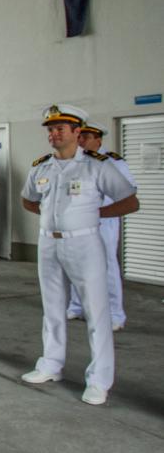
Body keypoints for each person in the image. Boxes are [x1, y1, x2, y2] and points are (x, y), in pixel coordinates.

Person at [20, 105, 138, 405]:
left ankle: (99, 379)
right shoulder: (42, 166)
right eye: (50, 129)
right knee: (52, 307)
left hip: (84, 243)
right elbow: (28, 199)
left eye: (60, 128)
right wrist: (50, 216)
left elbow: (130, 202)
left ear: (77, 131)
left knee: (96, 312)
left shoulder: (96, 166)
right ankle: (51, 363)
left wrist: (95, 214)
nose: (54, 133)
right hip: (49, 243)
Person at [66, 121, 134, 332]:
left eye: (86, 137)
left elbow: (128, 194)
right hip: (78, 222)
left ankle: (114, 314)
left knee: (106, 267)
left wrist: (99, 211)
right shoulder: (75, 161)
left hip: (103, 221)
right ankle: (77, 305)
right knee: (77, 264)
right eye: (79, 136)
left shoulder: (113, 162)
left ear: (98, 140)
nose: (81, 141)